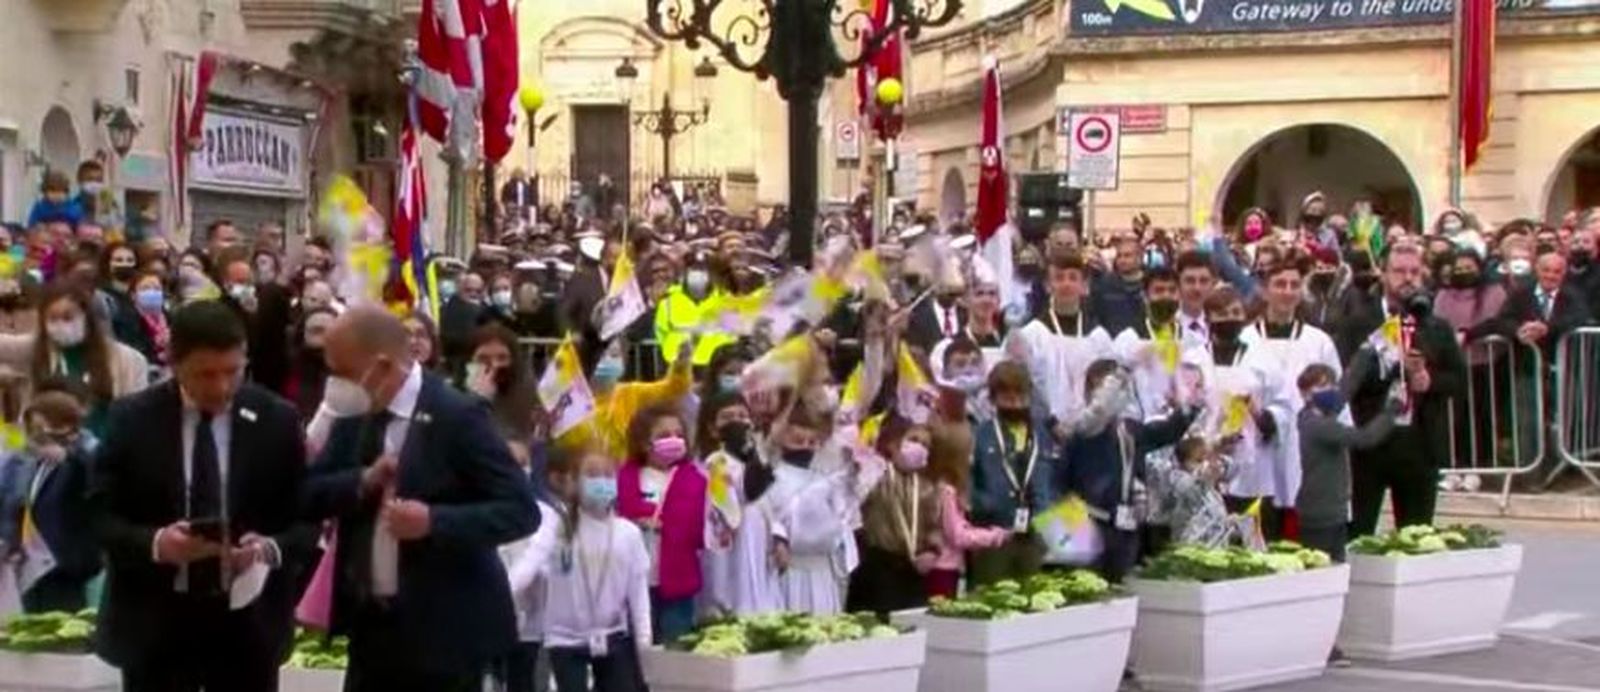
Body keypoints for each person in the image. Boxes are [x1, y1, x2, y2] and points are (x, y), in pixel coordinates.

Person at [301, 305, 538, 691]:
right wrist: (362, 480)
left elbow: (520, 511)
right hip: (372, 629)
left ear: (380, 367)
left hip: (445, 633)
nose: (336, 384)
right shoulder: (354, 414)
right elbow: (309, 494)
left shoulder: (458, 415)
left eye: (343, 372)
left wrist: (434, 521)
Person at [88, 300, 315, 691]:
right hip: (157, 625)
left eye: (233, 372)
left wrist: (267, 550)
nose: (221, 387)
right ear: (175, 363)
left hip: (247, 628)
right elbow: (97, 515)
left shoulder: (276, 420)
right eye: (205, 374)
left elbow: (306, 519)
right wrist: (157, 543)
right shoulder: (132, 419)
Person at [1342, 243, 1467, 536]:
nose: (1407, 278)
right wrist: (1390, 366)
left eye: (1414, 271)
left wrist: (1428, 380)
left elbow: (1457, 378)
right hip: (1370, 442)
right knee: (1357, 534)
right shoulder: (1358, 322)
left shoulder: (1436, 326)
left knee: (1417, 537)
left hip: (1419, 444)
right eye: (1399, 271)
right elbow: (1347, 380)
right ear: (1383, 274)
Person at [508, 446, 651, 692]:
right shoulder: (556, 527)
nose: (602, 482)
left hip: (613, 637)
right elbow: (527, 566)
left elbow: (638, 593)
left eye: (608, 476)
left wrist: (644, 641)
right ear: (573, 481)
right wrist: (500, 593)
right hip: (565, 641)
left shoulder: (628, 533)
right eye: (593, 475)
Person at [1055, 360, 1195, 582]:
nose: (1114, 396)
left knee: (1122, 594)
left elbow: (1166, 432)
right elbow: (1099, 411)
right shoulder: (1081, 427)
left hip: (1123, 526)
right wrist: (1123, 372)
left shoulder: (1129, 429)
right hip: (1085, 522)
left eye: (1120, 390)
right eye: (1105, 389)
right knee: (1088, 591)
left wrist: (1190, 405)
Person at [1240, 255, 1343, 539]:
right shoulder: (1244, 340)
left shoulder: (1318, 342)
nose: (1287, 291)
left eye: (1294, 285)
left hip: (1304, 447)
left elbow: (1337, 398)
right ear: (1265, 289)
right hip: (1258, 449)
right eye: (1280, 284)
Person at [1182, 286, 1293, 540]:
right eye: (1221, 314)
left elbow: (1284, 407)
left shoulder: (1263, 359)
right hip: (1206, 462)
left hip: (1253, 463)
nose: (1229, 319)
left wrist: (1257, 412)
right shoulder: (1193, 359)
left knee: (1253, 541)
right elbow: (1182, 408)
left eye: (1235, 312)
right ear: (1208, 319)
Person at [0, 283, 150, 437]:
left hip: (107, 448)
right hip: (46, 448)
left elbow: (138, 415)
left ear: (87, 317)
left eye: (67, 317)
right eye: (52, 319)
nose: (60, 325)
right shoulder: (37, 348)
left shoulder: (128, 360)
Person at [0, 383, 99, 612]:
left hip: (64, 561)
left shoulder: (82, 454)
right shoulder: (32, 459)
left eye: (42, 426)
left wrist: (69, 453)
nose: (37, 434)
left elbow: (96, 464)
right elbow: (15, 500)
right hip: (30, 559)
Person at [617, 404, 707, 643]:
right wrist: (639, 521)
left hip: (678, 580)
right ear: (643, 442)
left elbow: (699, 529)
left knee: (675, 647)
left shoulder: (695, 479)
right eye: (664, 436)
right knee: (638, 648)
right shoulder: (625, 476)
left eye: (679, 435)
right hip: (634, 582)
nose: (674, 440)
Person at [966, 361, 1056, 587]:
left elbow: (1052, 478)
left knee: (1032, 600)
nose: (1014, 401)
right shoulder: (981, 434)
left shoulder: (1042, 435)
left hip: (1033, 535)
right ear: (994, 399)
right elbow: (967, 482)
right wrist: (985, 505)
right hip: (994, 535)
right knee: (993, 597)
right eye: (1006, 395)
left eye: (1019, 394)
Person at [1296, 362, 1396, 563]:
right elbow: (1365, 438)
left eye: (1331, 385)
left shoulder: (1316, 417)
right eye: (1322, 386)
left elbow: (1345, 389)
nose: (1330, 391)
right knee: (1323, 571)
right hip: (1320, 514)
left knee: (1335, 567)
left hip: (1332, 511)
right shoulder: (1317, 426)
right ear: (1306, 393)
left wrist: (1367, 353)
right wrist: (1391, 412)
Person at [847, 416, 941, 618]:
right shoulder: (875, 476)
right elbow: (854, 506)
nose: (919, 447)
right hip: (877, 567)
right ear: (894, 443)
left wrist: (932, 551)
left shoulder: (927, 488)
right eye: (914, 440)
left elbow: (934, 525)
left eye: (925, 445)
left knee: (913, 627)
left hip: (914, 569)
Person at [1010, 251, 1115, 428]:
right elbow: (1027, 387)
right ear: (1048, 286)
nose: (1066, 284)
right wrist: (1050, 424)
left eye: (1073, 278)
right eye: (1059, 278)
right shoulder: (1031, 335)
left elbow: (1107, 388)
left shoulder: (1099, 338)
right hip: (1043, 429)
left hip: (1090, 431)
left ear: (1084, 286)